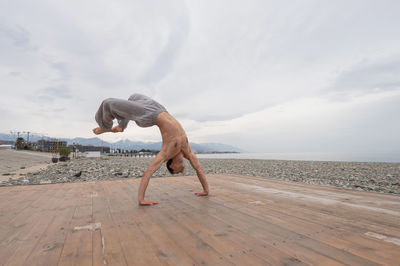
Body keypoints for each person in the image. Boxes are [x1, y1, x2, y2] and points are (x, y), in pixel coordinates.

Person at [93, 93, 209, 206]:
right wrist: (206, 190)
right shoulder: (187, 151)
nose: (183, 171)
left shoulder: (166, 152)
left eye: (178, 171)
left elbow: (147, 173)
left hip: (148, 115)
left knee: (108, 103)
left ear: (172, 166)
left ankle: (105, 127)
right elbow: (198, 169)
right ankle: (117, 127)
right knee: (134, 96)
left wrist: (141, 199)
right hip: (159, 108)